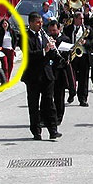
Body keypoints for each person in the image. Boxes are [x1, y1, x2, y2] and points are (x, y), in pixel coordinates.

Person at [21, 12, 61, 141]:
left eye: (41, 22)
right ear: (31, 23)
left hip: (46, 75)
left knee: (49, 103)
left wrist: (56, 53)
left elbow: (49, 54)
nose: (40, 25)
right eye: (38, 22)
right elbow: (29, 54)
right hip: (33, 76)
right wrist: (45, 50)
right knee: (34, 105)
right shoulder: (25, 37)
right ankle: (36, 131)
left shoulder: (44, 35)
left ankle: (53, 130)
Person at [63, 12, 93, 107]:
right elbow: (64, 39)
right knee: (71, 77)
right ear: (75, 19)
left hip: (84, 56)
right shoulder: (68, 29)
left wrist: (86, 42)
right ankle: (72, 93)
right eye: (80, 19)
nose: (82, 21)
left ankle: (83, 98)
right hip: (72, 56)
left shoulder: (87, 29)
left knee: (83, 78)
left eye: (83, 19)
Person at [47, 20, 73, 125]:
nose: (52, 32)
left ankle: (59, 117)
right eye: (50, 30)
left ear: (59, 29)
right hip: (50, 71)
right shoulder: (48, 39)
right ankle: (48, 117)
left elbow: (67, 55)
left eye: (54, 30)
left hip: (61, 71)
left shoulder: (65, 39)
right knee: (48, 96)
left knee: (59, 96)